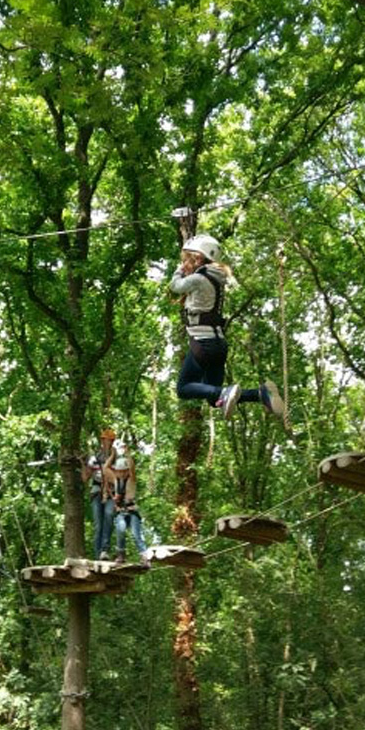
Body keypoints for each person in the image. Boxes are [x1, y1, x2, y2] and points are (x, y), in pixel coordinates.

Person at [169, 234, 286, 419]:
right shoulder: (215, 278)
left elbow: (175, 286)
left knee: (183, 389)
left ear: (198, 258)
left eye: (187, 259)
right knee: (214, 397)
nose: (185, 263)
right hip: (218, 345)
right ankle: (260, 394)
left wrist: (179, 270)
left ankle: (228, 392)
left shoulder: (199, 279)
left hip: (203, 343)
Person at [105, 450, 151, 565]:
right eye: (119, 471)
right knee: (120, 530)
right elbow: (105, 468)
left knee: (136, 534)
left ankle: (144, 557)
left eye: (123, 471)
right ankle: (121, 555)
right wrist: (112, 455)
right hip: (121, 511)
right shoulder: (116, 480)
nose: (121, 474)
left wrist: (128, 455)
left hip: (132, 510)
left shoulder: (131, 480)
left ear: (126, 471)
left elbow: (132, 469)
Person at [82, 428, 117, 559]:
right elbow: (85, 478)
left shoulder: (117, 459)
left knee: (109, 516)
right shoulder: (94, 458)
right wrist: (84, 464)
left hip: (111, 492)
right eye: (106, 440)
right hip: (97, 491)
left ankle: (104, 550)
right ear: (102, 441)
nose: (108, 443)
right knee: (98, 524)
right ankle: (98, 555)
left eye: (111, 440)